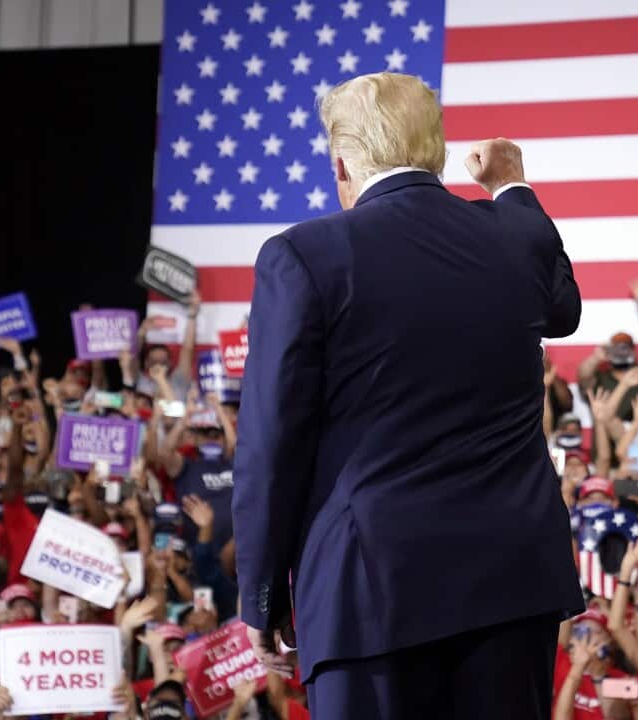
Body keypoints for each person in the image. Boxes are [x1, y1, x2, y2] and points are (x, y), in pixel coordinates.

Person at [232, 72, 584, 718]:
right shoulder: (510, 234)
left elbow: (270, 441)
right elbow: (562, 307)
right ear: (437, 150)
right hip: (512, 585)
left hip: (368, 596)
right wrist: (511, 186)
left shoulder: (304, 256)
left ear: (342, 162)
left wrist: (260, 594)